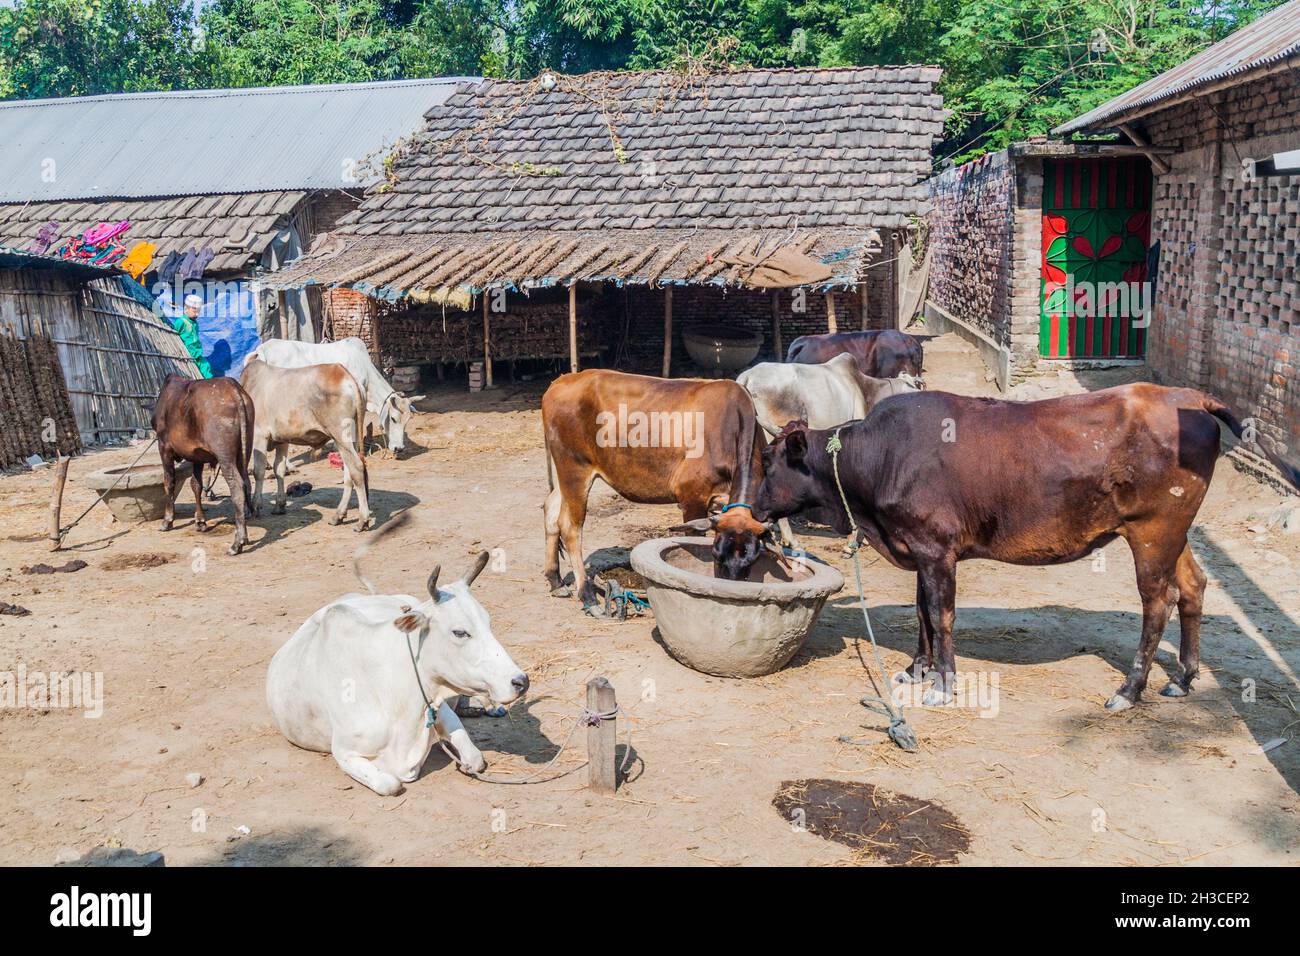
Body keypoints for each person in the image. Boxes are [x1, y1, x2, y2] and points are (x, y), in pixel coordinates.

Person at [172, 293, 213, 378]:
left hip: (197, 355)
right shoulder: (180, 322)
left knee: (206, 368)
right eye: (194, 311)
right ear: (186, 308)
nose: (197, 314)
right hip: (187, 356)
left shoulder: (195, 324)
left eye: (198, 311)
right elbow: (173, 336)